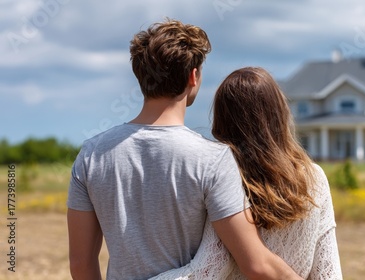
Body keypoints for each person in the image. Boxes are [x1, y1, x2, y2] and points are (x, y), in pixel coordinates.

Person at [66, 19, 303, 280]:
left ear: (140, 76)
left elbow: (81, 264)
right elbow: (256, 264)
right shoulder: (212, 159)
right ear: (193, 75)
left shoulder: (91, 155)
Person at [150, 67, 343, 279]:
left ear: (223, 121)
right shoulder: (315, 177)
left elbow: (208, 270)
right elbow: (328, 271)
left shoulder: (226, 178)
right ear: (279, 114)